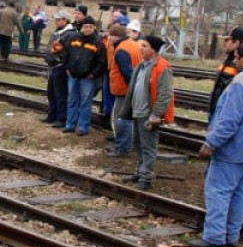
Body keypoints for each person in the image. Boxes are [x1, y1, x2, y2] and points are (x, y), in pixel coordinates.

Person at [191, 43, 243, 247]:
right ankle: (231, 236)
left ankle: (213, 237)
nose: (234, 61)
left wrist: (211, 143)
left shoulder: (241, 83)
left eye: (236, 57)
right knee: (240, 195)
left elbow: (229, 121)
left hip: (234, 150)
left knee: (218, 192)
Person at [119, 35, 175, 190]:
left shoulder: (162, 67)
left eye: (144, 46)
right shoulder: (142, 65)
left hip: (148, 113)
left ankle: (146, 177)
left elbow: (165, 94)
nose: (140, 49)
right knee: (138, 144)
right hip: (137, 111)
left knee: (148, 146)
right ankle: (140, 171)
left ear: (153, 49)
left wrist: (156, 114)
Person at [63, 16, 107, 136]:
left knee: (85, 103)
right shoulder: (73, 38)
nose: (88, 29)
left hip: (87, 78)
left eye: (90, 27)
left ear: (94, 28)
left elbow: (102, 61)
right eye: (86, 26)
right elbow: (66, 53)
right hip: (73, 75)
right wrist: (66, 67)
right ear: (82, 27)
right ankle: (70, 125)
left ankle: (83, 127)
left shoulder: (98, 43)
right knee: (72, 101)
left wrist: (93, 74)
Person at [107, 23, 142, 156]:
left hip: (124, 90)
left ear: (116, 36)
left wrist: (132, 88)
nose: (109, 38)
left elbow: (127, 72)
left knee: (121, 119)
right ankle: (123, 145)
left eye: (110, 35)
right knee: (126, 119)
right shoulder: (133, 44)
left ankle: (122, 147)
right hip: (129, 88)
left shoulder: (121, 49)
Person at [43, 11, 75, 127]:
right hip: (54, 67)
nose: (56, 22)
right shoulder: (59, 32)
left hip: (60, 67)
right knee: (51, 93)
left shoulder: (70, 34)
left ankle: (61, 118)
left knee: (60, 94)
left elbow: (68, 52)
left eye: (58, 20)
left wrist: (59, 61)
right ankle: (52, 115)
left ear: (65, 20)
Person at [210, 26, 243, 121]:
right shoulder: (228, 61)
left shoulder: (241, 65)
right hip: (218, 113)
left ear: (237, 43)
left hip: (225, 116)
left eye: (227, 40)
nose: (224, 43)